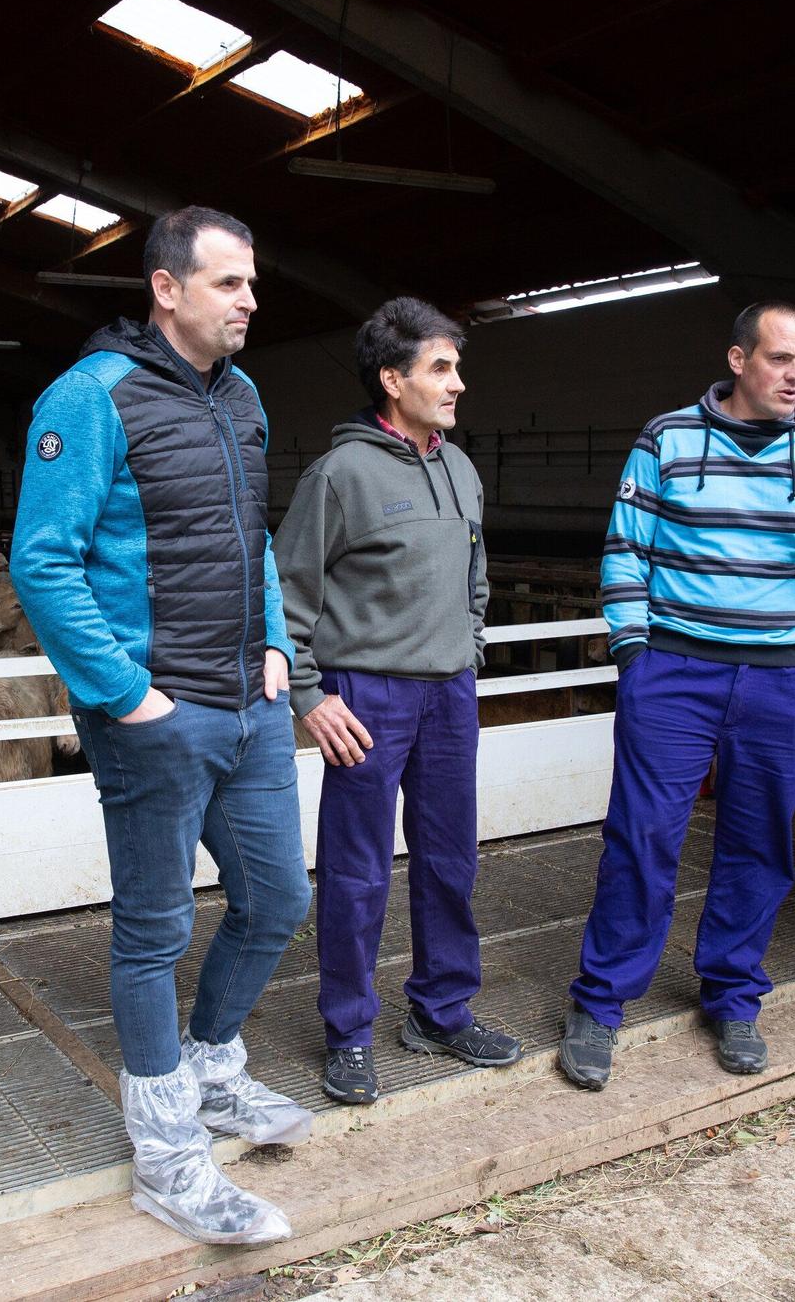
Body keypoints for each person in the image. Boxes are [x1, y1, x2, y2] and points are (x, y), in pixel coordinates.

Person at [10, 207, 313, 1245]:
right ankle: (166, 1157)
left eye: (252, 283)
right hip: (156, 715)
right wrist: (126, 694)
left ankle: (212, 1069)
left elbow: (251, 534)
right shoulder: (88, 399)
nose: (249, 301)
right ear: (166, 288)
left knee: (276, 895)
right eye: (229, 283)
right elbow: (41, 560)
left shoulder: (242, 397)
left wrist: (275, 642)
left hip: (250, 704)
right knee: (152, 933)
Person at [561, 301, 795, 1089]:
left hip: (780, 675)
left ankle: (733, 994)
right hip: (677, 673)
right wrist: (638, 661)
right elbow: (626, 552)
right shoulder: (668, 438)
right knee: (643, 834)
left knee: (759, 840)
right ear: (739, 360)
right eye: (779, 358)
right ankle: (600, 1001)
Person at [273, 297, 519, 1107]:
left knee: (451, 858)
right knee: (357, 871)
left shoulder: (461, 467)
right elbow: (286, 596)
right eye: (440, 368)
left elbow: (475, 579)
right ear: (392, 379)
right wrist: (309, 694)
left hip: (447, 692)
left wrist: (468, 648)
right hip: (367, 694)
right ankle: (349, 1030)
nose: (458, 384)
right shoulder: (339, 476)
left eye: (457, 367)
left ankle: (441, 1011)